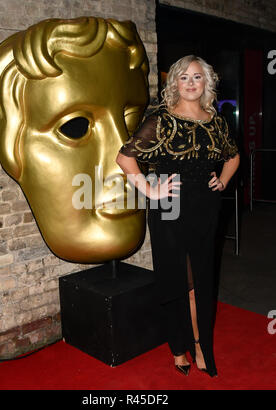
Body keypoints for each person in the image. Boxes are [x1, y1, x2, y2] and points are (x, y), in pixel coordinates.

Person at [116, 55, 240, 377]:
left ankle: (200, 345)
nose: (190, 83)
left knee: (201, 278)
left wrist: (223, 180)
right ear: (175, 83)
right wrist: (149, 189)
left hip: (205, 207)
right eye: (183, 77)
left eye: (197, 77)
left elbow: (233, 156)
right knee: (177, 278)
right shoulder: (162, 120)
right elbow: (124, 157)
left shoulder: (216, 120)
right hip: (169, 207)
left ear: (206, 83)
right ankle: (177, 346)